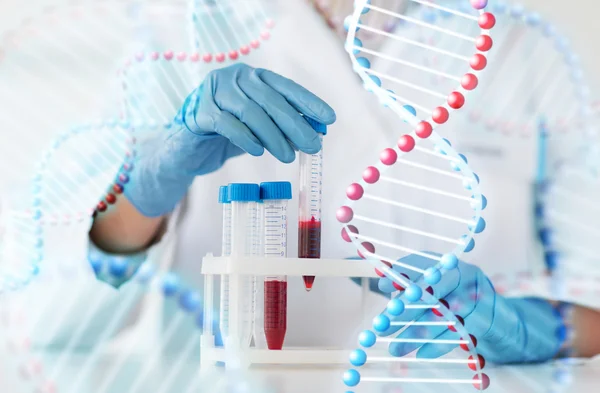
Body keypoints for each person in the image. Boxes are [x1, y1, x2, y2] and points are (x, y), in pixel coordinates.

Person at [88, 0, 600, 362]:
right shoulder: (175, 29)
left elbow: (594, 307)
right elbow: (55, 318)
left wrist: (520, 328)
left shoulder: (524, 50)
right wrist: (148, 183)